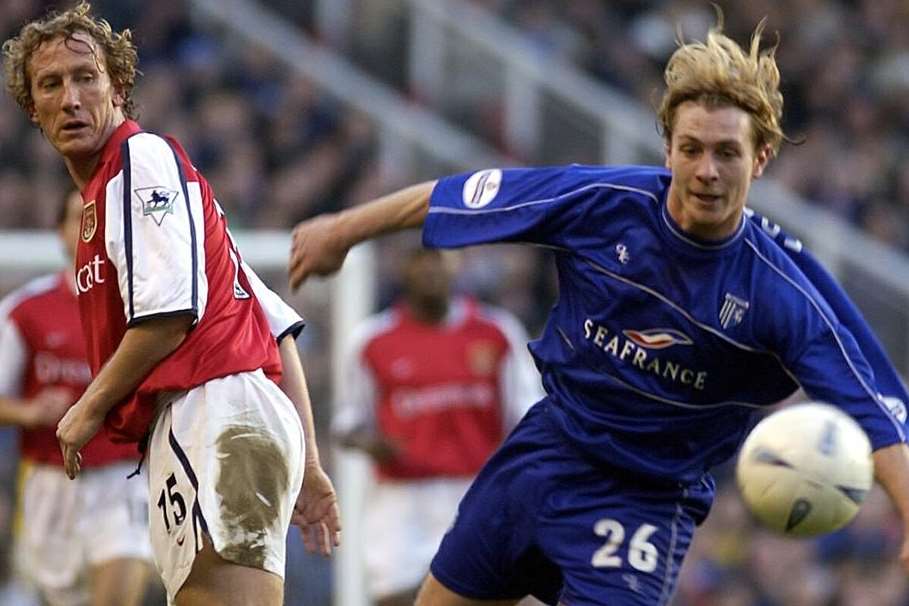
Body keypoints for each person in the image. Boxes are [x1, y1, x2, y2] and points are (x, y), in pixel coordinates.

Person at [288, 16, 909, 606]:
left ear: (762, 158)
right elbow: (460, 198)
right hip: (544, 452)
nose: (707, 171)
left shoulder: (784, 291)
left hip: (643, 500)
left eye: (727, 153)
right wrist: (341, 230)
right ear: (667, 148)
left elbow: (876, 413)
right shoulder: (602, 201)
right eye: (691, 149)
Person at [2, 3, 341, 605]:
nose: (71, 98)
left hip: (214, 411)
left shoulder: (138, 160)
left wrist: (86, 409)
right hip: (208, 422)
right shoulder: (137, 202)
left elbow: (168, 315)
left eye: (87, 77)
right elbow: (275, 322)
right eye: (50, 84)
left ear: (120, 87)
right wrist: (310, 465)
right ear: (32, 108)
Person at [334, 246, 543, 606]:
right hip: (401, 499)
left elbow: (527, 416)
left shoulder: (497, 333)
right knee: (397, 597)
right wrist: (372, 443)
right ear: (403, 270)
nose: (430, 270)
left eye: (439, 261)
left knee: (485, 595)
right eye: (420, 262)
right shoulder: (372, 340)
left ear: (457, 266)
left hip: (476, 490)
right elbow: (347, 423)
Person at [0, 189, 154, 606]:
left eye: (100, 221)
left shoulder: (147, 312)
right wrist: (29, 411)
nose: (90, 231)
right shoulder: (25, 310)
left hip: (122, 478)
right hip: (49, 482)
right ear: (60, 233)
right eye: (79, 219)